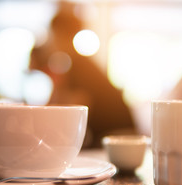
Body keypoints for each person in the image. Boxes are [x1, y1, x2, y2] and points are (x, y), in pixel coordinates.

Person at [29, 2, 135, 148]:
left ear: (61, 35)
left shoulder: (78, 66)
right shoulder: (78, 64)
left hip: (117, 137)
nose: (49, 41)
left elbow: (71, 112)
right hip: (115, 135)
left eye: (51, 35)